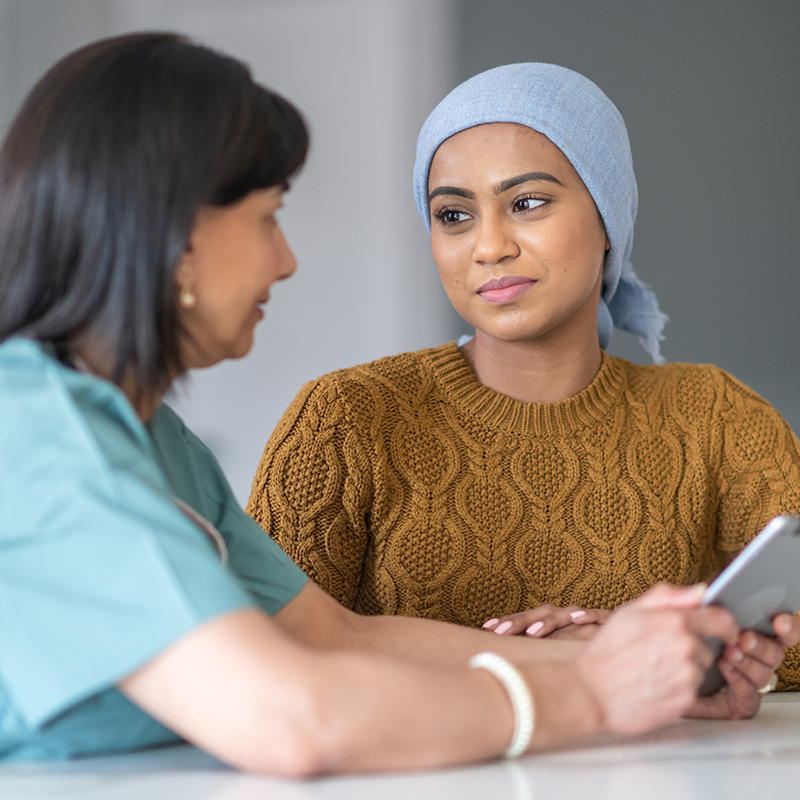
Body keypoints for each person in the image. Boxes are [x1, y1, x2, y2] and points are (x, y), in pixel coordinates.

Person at [3, 33, 786, 775]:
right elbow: (291, 716)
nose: (286, 259)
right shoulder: (34, 435)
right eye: (268, 218)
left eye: (528, 204)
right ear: (175, 237)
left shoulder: (151, 440)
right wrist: (592, 693)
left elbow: (333, 634)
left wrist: (652, 661)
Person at [248, 62, 800, 691]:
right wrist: (567, 663)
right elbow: (254, 660)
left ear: (608, 218)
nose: (488, 246)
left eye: (527, 203)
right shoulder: (344, 419)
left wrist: (715, 658)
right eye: (454, 215)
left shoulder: (718, 419)